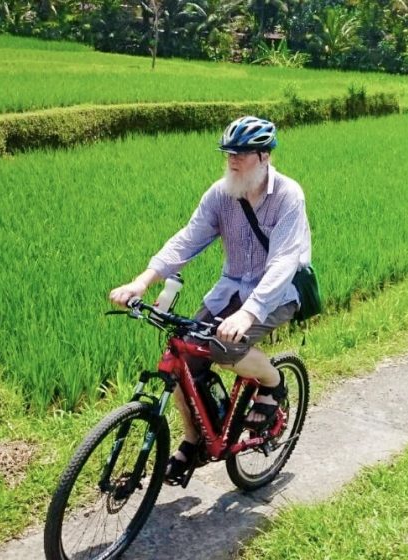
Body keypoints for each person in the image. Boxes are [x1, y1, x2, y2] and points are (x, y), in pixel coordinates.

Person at [109, 115, 312, 485]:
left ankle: (273, 383)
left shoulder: (288, 196)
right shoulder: (221, 194)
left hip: (277, 293)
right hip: (231, 288)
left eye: (243, 154)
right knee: (185, 357)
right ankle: (195, 441)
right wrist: (142, 281)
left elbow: (283, 261)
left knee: (222, 349)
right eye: (228, 153)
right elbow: (187, 240)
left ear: (265, 156)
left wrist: (249, 314)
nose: (232, 160)